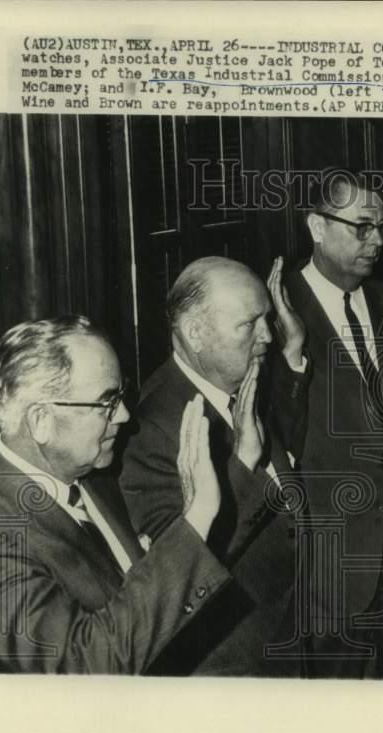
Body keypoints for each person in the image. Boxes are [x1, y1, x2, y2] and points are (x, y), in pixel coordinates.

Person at [0, 315, 232, 674]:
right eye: (106, 402)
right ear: (41, 420)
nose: (124, 414)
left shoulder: (96, 476)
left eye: (120, 395)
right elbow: (83, 664)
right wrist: (196, 518)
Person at [120, 256, 309, 676]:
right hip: (234, 668)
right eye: (249, 324)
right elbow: (185, 567)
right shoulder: (152, 431)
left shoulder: (235, 383)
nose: (267, 336)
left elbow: (282, 466)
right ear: (195, 333)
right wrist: (242, 462)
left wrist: (294, 352)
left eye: (267, 319)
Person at [280, 168, 383, 678]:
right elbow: (275, 440)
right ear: (316, 226)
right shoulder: (273, 312)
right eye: (361, 226)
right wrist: (293, 356)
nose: (375, 241)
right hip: (324, 571)